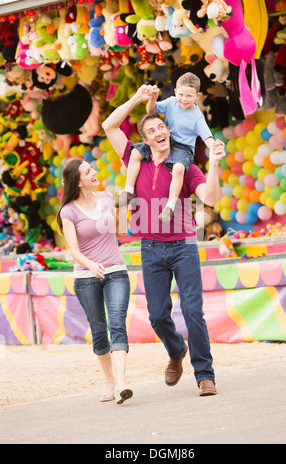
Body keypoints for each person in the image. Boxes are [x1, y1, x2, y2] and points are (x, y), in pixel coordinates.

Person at [102, 85, 226, 397]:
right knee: (157, 315)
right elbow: (109, 126)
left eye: (162, 127)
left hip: (183, 246)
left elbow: (211, 197)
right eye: (152, 129)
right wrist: (138, 100)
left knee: (193, 311)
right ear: (144, 140)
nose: (159, 131)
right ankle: (175, 351)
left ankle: (205, 375)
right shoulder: (136, 158)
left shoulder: (186, 166)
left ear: (167, 132)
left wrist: (215, 163)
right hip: (150, 248)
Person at [56, 157, 132, 405]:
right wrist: (91, 265)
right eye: (89, 171)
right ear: (78, 182)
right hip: (87, 277)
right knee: (99, 330)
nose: (95, 172)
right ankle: (109, 380)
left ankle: (121, 382)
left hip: (116, 270)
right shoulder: (68, 211)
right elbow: (73, 251)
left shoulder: (106, 197)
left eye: (92, 169)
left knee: (118, 324)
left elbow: (118, 231)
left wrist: (121, 209)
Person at [116, 73, 223, 225]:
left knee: (178, 169)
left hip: (183, 148)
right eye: (181, 94)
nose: (184, 99)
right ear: (175, 92)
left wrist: (214, 146)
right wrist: (152, 99)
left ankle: (170, 206)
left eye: (189, 96)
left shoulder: (197, 117)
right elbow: (151, 112)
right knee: (135, 152)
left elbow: (207, 137)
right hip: (166, 141)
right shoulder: (172, 102)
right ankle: (128, 190)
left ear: (197, 95)